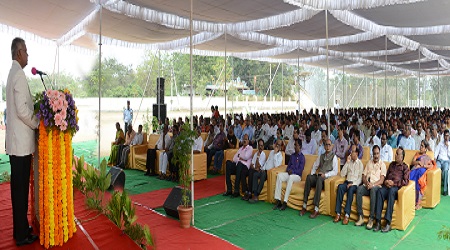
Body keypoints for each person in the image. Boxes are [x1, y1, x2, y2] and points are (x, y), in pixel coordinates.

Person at [6, 37, 39, 246]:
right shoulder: (18, 74)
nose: (28, 55)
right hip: (20, 146)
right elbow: (22, 110)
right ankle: (21, 235)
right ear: (19, 53)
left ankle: (20, 228)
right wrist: (37, 122)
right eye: (26, 51)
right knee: (20, 192)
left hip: (18, 144)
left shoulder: (13, 73)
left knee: (19, 190)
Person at [373, 147, 410, 233]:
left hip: (395, 188)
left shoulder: (405, 167)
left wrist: (394, 184)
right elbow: (385, 176)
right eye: (396, 153)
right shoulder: (391, 165)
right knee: (380, 192)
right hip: (387, 186)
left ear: (402, 157)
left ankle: (388, 223)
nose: (395, 155)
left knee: (391, 192)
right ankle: (377, 221)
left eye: (398, 154)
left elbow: (406, 181)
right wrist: (386, 181)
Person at [300, 139, 338, 218]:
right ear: (324, 146)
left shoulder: (334, 157)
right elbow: (315, 165)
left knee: (320, 179)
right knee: (309, 177)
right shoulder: (321, 156)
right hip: (319, 176)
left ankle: (316, 209)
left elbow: (335, 171)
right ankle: (304, 205)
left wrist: (326, 175)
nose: (327, 146)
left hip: (325, 179)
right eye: (326, 145)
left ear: (331, 146)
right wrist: (313, 174)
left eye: (329, 145)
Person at [355, 145, 386, 229]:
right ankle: (360, 217)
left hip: (376, 187)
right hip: (368, 185)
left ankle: (371, 218)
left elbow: (382, 180)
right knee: (359, 189)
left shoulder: (382, 164)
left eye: (377, 153)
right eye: (374, 154)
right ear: (372, 154)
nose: (376, 156)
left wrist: (373, 185)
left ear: (379, 154)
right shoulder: (369, 162)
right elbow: (363, 175)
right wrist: (366, 182)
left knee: (373, 190)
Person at [333, 144, 364, 225]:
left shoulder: (360, 164)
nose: (350, 153)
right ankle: (338, 213)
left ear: (357, 153)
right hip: (347, 182)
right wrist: (347, 162)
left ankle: (347, 215)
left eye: (352, 152)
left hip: (354, 184)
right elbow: (342, 174)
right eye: (350, 152)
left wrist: (353, 184)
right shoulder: (349, 162)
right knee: (340, 187)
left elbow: (360, 179)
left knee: (350, 190)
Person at [273, 139, 305, 210]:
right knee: (279, 176)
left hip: (297, 176)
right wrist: (289, 170)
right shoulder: (292, 156)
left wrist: (292, 171)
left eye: (296, 145)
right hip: (290, 173)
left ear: (300, 146)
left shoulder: (302, 157)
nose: (294, 146)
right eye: (294, 145)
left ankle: (285, 201)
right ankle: (278, 200)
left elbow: (300, 170)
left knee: (290, 177)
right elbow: (288, 167)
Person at [410, 140, 436, 210]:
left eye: (422, 146)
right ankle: (410, 201)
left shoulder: (427, 157)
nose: (420, 147)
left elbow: (431, 166)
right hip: (415, 169)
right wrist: (418, 162)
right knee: (411, 176)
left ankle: (417, 203)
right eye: (420, 145)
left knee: (420, 175)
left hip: (421, 170)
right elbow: (412, 162)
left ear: (425, 149)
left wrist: (423, 165)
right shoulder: (417, 154)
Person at [435, 129, 450, 195]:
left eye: (447, 136)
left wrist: (448, 147)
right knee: (437, 170)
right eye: (445, 136)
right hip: (439, 160)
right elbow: (436, 152)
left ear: (449, 136)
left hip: (446, 161)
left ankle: (445, 190)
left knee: (446, 170)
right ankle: (436, 189)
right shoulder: (440, 144)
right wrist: (434, 158)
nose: (446, 137)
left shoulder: (449, 144)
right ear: (443, 136)